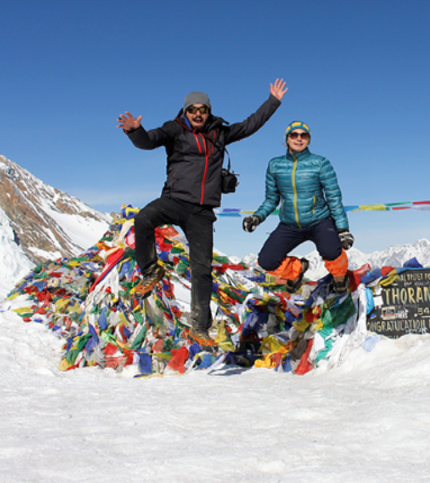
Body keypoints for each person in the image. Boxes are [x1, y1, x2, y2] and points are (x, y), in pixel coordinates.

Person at [117, 79, 288, 346]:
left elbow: (251, 124)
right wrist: (135, 131)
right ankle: (151, 270)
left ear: (208, 112)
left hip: (202, 212)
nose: (197, 114)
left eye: (203, 109)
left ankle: (200, 327)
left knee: (202, 270)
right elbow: (148, 141)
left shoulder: (220, 132)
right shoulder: (173, 129)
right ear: (185, 111)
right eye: (192, 109)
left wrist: (273, 101)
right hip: (174, 200)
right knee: (144, 219)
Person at [242, 121, 354, 295]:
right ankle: (297, 269)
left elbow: (333, 197)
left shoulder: (320, 163)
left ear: (309, 139)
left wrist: (343, 229)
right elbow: (271, 199)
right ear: (287, 139)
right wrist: (257, 217)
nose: (299, 138)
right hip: (289, 224)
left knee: (332, 250)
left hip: (319, 221)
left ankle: (340, 277)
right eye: (294, 135)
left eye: (304, 135)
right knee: (267, 261)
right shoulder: (275, 165)